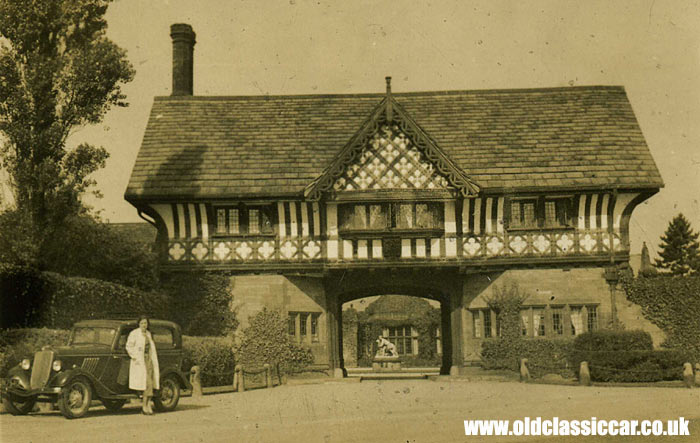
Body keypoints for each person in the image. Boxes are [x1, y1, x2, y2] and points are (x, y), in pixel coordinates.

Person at [126, 315, 160, 415]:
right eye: (142, 323)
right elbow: (129, 346)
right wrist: (135, 356)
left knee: (150, 382)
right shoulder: (134, 333)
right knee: (146, 384)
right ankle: (144, 406)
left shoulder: (148, 334)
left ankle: (148, 404)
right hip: (140, 361)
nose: (144, 325)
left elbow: (151, 348)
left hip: (149, 360)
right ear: (139, 324)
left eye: (145, 323)